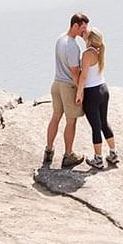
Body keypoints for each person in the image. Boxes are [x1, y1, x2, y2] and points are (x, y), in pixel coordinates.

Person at [44, 12, 89, 170]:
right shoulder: (72, 47)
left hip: (56, 83)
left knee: (55, 117)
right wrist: (80, 91)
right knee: (71, 121)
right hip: (68, 86)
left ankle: (48, 151)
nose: (84, 31)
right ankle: (68, 155)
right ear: (75, 25)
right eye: (82, 28)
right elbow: (74, 72)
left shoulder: (60, 39)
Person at [76, 27, 117, 170]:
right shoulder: (99, 50)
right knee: (104, 123)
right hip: (103, 89)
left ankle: (98, 159)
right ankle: (113, 153)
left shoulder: (87, 54)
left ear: (90, 39)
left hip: (92, 93)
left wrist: (79, 93)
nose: (84, 32)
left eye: (86, 32)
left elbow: (84, 76)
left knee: (96, 126)